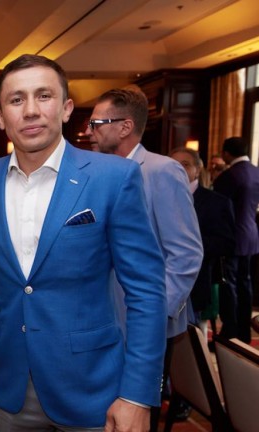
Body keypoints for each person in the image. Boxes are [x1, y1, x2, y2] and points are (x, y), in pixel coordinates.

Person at [0, 54, 166, 431]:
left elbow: (146, 291)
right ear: (0, 117)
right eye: (16, 100)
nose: (30, 110)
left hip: (93, 385)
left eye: (43, 96)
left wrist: (137, 394)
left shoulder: (113, 177)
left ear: (66, 108)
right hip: (11, 383)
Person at [87, 87, 203, 430]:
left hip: (141, 323)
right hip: (102, 319)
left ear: (125, 127)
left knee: (135, 414)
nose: (89, 132)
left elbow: (185, 254)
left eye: (96, 124)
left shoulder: (161, 170)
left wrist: (152, 314)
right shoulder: (97, 172)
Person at [169, 147, 235, 334]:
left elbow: (227, 244)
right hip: (161, 282)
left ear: (197, 170)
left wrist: (187, 246)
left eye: (185, 164)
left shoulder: (217, 202)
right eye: (173, 164)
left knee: (193, 339)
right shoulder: (155, 196)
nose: (179, 169)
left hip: (196, 282)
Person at [213, 136, 259, 343]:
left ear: (226, 153)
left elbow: (219, 208)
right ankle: (244, 332)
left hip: (232, 237)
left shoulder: (229, 176)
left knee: (228, 284)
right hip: (251, 234)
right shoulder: (256, 172)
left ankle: (230, 332)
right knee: (245, 283)